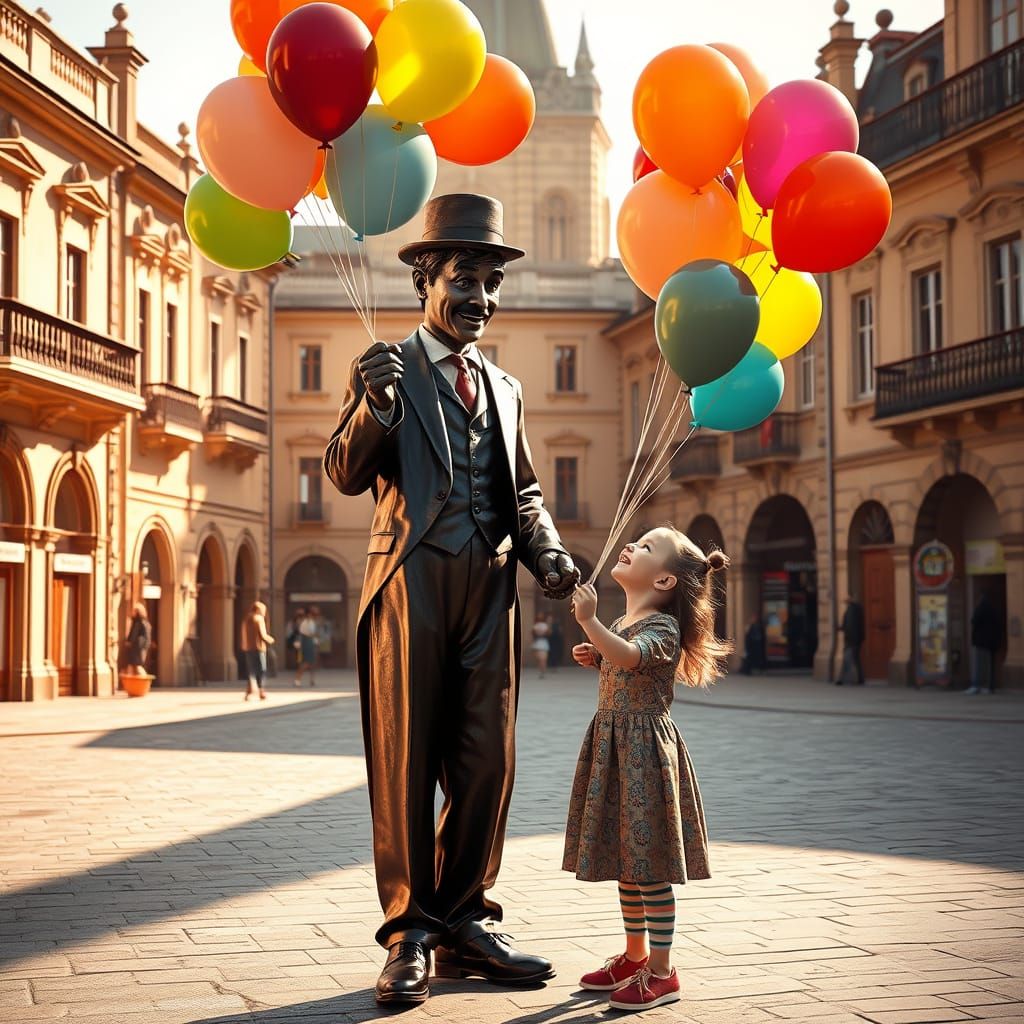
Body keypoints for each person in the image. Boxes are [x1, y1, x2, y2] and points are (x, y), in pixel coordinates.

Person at [324, 194, 579, 1006]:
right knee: (405, 764)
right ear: (426, 282)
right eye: (466, 280)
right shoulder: (386, 369)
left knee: (486, 764)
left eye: (491, 284)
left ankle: (466, 919)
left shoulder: (505, 387)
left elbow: (526, 493)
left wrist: (549, 554)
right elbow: (343, 472)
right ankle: (408, 933)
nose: (482, 299)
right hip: (411, 586)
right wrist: (376, 406)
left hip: (491, 592)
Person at [565, 527, 730, 1011]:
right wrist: (598, 656)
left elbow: (635, 657)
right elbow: (623, 658)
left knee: (649, 865)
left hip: (642, 754)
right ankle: (635, 956)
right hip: (616, 745)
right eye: (637, 540)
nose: (632, 546)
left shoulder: (664, 627)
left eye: (646, 547)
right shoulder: (627, 620)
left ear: (662, 583)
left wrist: (593, 627)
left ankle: (662, 969)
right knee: (626, 861)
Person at [967, 590, 1001, 695]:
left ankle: (977, 685)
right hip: (992, 642)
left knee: (979, 664)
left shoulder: (980, 608)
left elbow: (974, 620)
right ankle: (990, 686)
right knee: (990, 665)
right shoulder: (994, 609)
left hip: (981, 642)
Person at [240, 601, 275, 701]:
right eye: (263, 610)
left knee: (251, 671)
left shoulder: (246, 619)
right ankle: (261, 691)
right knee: (261, 670)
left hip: (248, 648)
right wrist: (270, 640)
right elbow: (263, 635)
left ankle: (248, 692)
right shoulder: (259, 619)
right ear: (259, 609)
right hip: (259, 648)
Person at [834, 595, 865, 686]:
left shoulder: (852, 610)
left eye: (847, 598)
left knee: (847, 660)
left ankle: (842, 679)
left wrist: (850, 638)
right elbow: (848, 624)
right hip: (855, 639)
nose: (844, 599)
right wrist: (841, 627)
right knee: (855, 659)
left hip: (851, 640)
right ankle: (860, 678)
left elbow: (851, 626)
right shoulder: (854, 609)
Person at [124, 603, 152, 677]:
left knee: (137, 665)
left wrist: (131, 642)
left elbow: (136, 634)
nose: (132, 612)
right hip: (138, 647)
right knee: (135, 665)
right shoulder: (141, 622)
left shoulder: (140, 623)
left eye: (134, 611)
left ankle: (144, 681)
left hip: (137, 647)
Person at [293, 608, 319, 688]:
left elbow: (313, 633)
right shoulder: (305, 622)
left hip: (310, 642)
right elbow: (308, 633)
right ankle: (298, 679)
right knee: (305, 662)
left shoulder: (311, 622)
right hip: (306, 642)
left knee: (312, 662)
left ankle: (312, 680)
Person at [531, 612, 551, 677]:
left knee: (543, 659)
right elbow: (533, 633)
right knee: (539, 659)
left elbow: (548, 633)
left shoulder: (544, 625)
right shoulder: (536, 625)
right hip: (538, 642)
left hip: (543, 642)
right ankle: (541, 671)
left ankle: (542, 671)